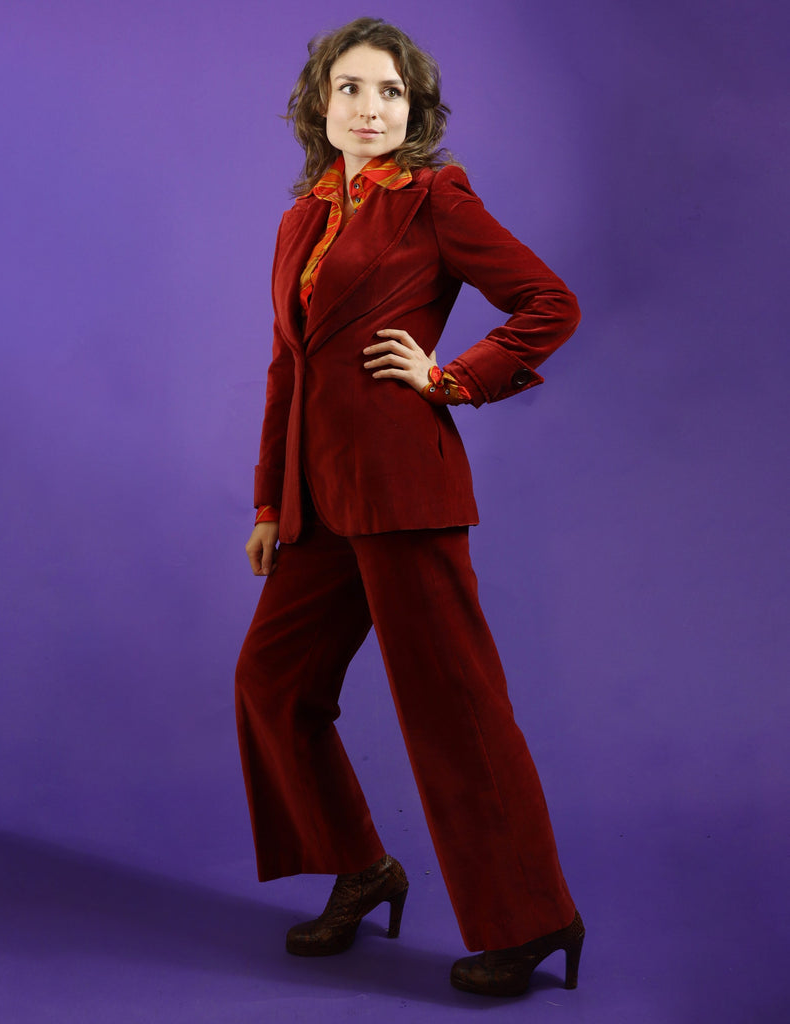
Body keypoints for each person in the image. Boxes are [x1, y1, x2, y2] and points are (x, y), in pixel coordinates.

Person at [234, 17, 584, 998]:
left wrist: (451, 378)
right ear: (320, 103)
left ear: (413, 109)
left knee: (452, 712)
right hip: (316, 502)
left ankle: (533, 920)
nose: (370, 108)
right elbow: (287, 370)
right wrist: (268, 500)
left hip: (404, 492)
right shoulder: (301, 220)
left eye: (390, 92)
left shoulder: (435, 199)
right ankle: (362, 867)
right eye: (350, 88)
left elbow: (549, 303)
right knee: (273, 685)